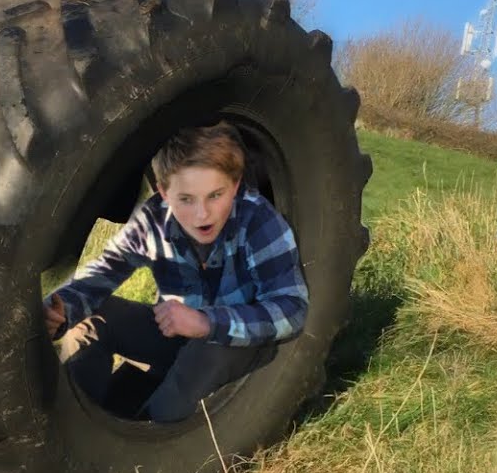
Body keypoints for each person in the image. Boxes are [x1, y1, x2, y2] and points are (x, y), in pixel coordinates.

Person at [43, 121, 309, 423]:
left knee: (205, 353)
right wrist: (61, 309)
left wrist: (207, 322)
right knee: (90, 319)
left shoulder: (259, 220)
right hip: (176, 334)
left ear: (235, 186)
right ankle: (74, 425)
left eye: (215, 195)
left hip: (236, 340)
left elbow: (293, 309)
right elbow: (103, 273)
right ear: (164, 193)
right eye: (186, 199)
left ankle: (148, 440)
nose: (202, 214)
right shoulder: (153, 220)